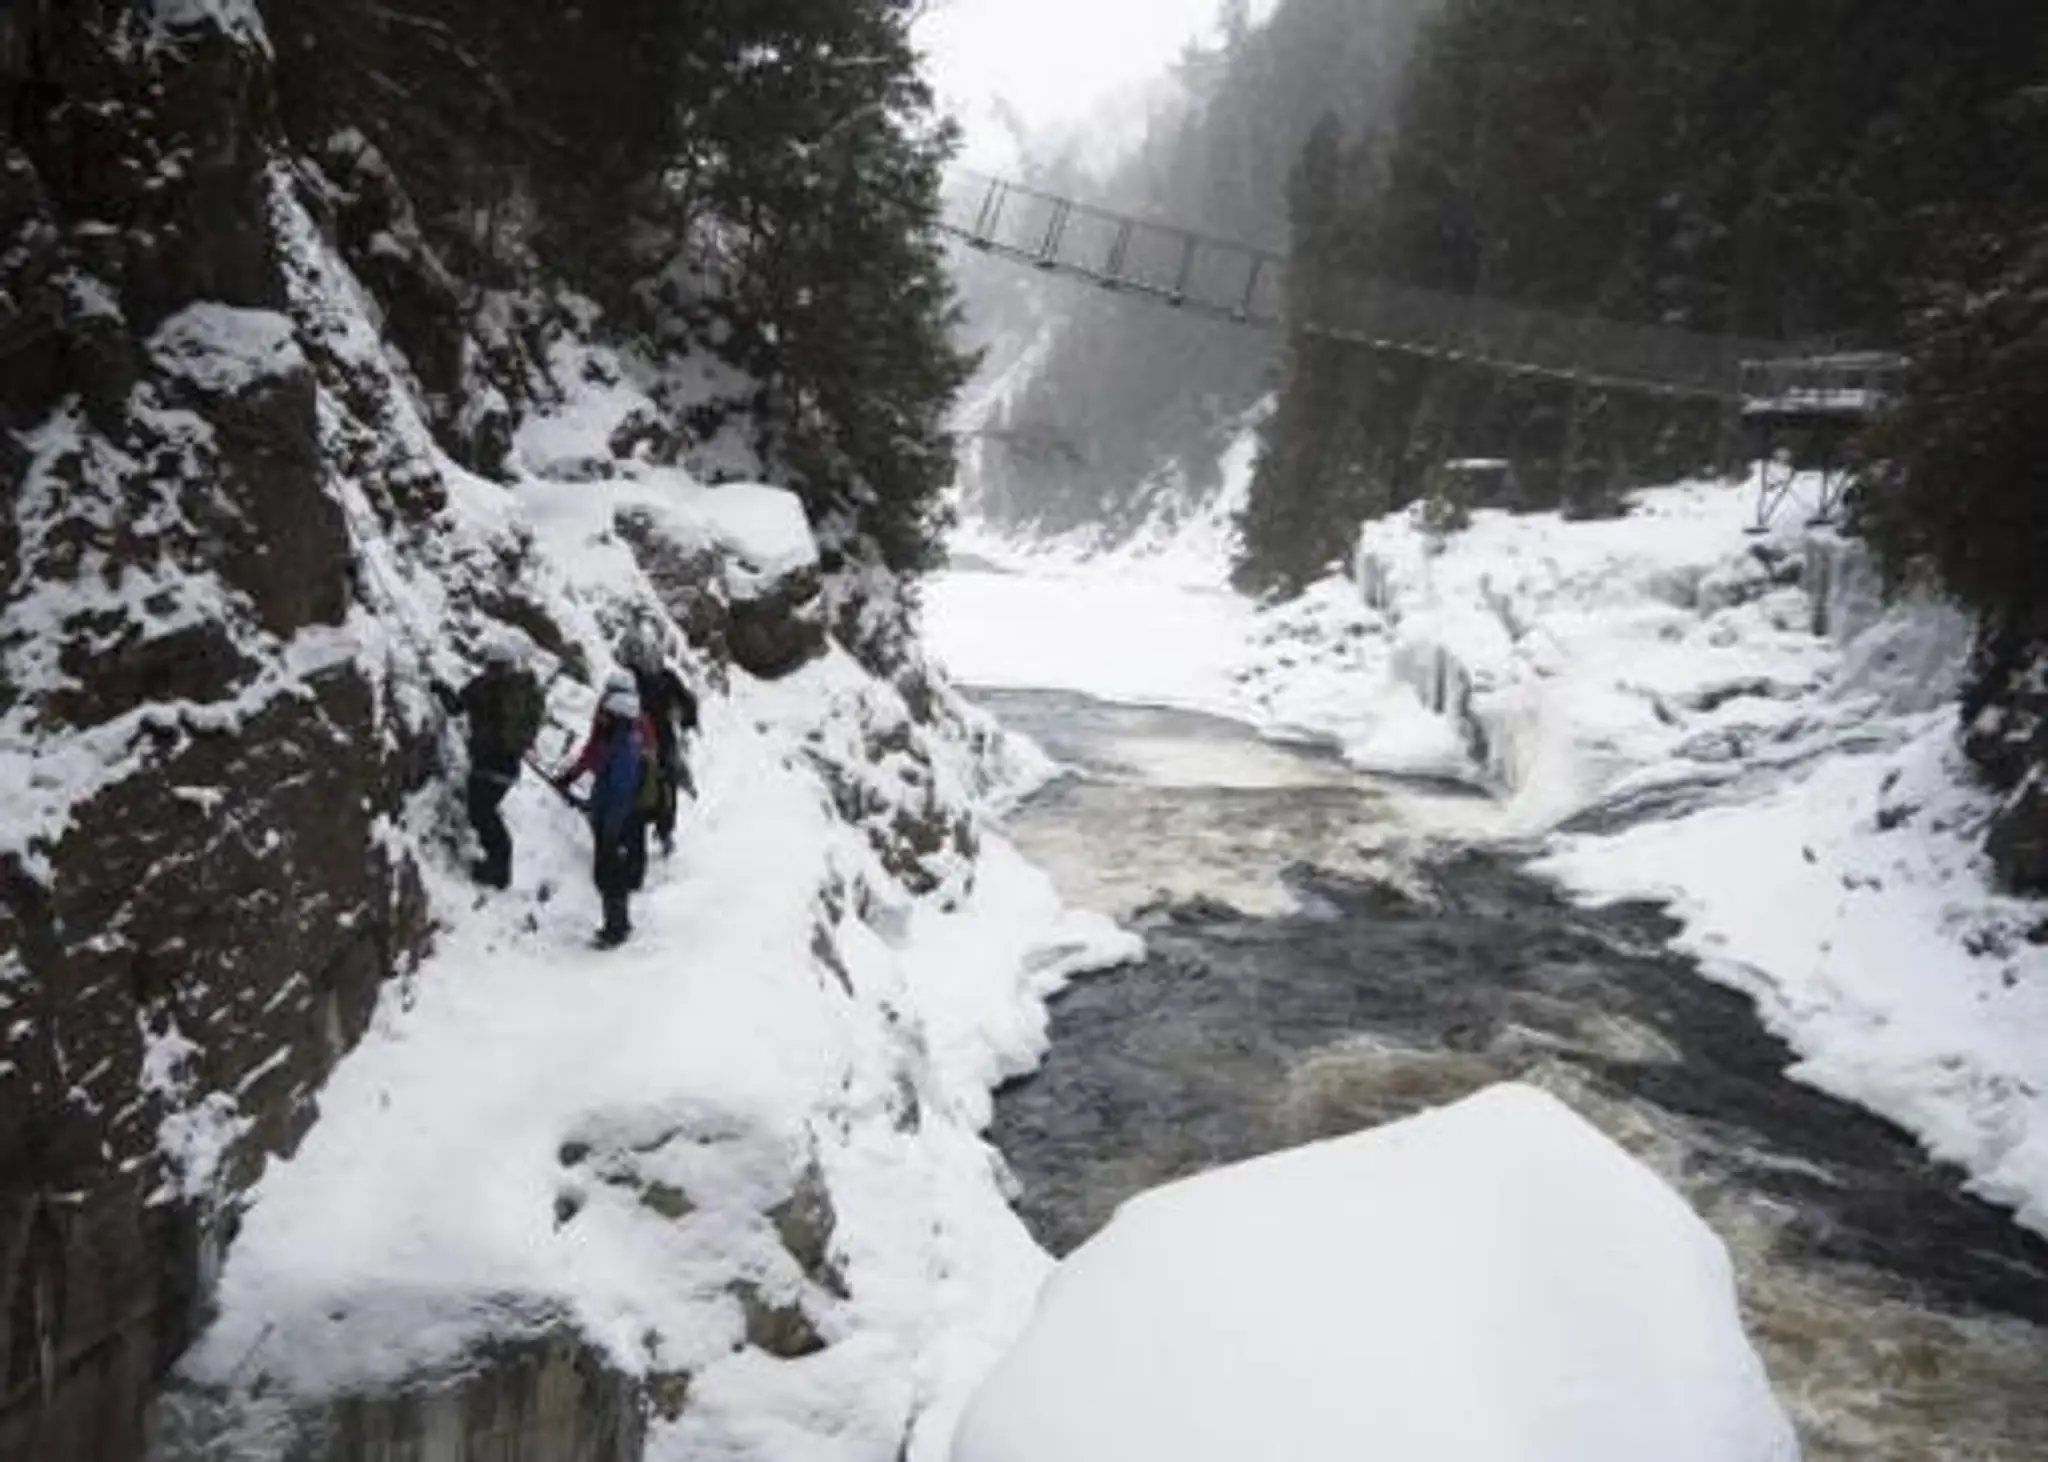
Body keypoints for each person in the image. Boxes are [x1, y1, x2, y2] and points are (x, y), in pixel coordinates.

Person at [433, 635, 544, 890]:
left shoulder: (481, 687)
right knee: (484, 811)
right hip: (509, 763)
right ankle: (497, 866)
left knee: (481, 812)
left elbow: (455, 707)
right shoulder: (523, 690)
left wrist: (440, 688)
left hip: (487, 761)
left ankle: (498, 870)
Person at [556, 673, 654, 947]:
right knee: (612, 870)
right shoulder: (626, 735)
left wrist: (606, 824)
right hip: (618, 811)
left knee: (609, 873)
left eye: (607, 713)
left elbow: (617, 786)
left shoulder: (623, 744)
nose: (602, 716)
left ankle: (616, 928)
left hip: (616, 815)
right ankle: (618, 921)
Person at [619, 629, 699, 855]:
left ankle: (658, 832)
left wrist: (685, 717)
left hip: (646, 739)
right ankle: (659, 832)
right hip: (648, 739)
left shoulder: (648, 678)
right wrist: (687, 719)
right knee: (660, 785)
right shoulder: (652, 677)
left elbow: (687, 702)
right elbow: (688, 703)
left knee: (657, 784)